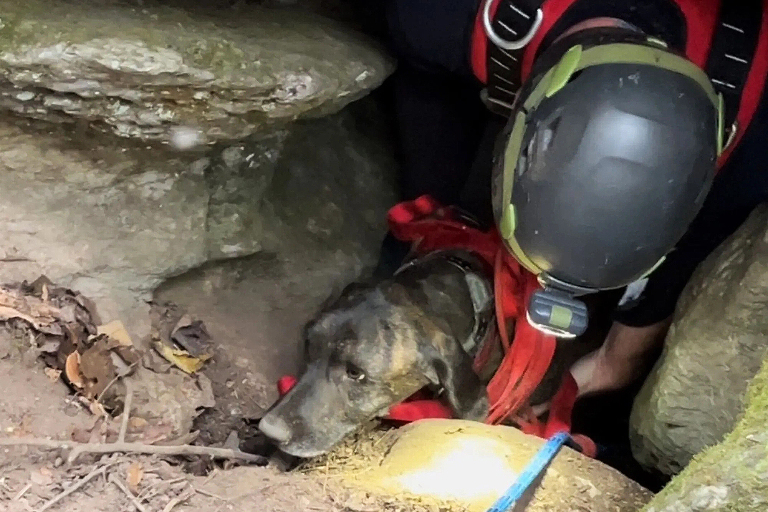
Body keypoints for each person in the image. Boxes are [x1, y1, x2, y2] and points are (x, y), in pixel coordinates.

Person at [374, 0, 768, 400]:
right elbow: (423, 82)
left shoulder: (748, 151)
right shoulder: (435, 17)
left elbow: (687, 254)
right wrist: (436, 210)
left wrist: (600, 371)